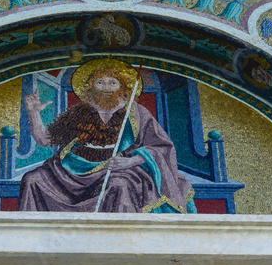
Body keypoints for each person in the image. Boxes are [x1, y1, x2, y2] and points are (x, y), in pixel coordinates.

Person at [18, 58, 196, 213]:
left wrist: (130, 162)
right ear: (91, 86)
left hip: (120, 169)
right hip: (73, 169)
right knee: (32, 179)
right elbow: (44, 139)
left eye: (112, 83)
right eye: (100, 83)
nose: (106, 88)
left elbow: (161, 147)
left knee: (119, 184)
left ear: (122, 87)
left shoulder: (136, 113)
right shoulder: (79, 112)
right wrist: (33, 113)